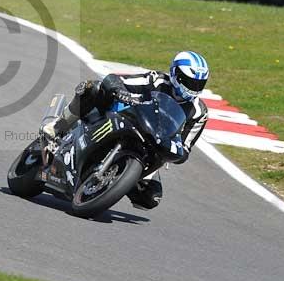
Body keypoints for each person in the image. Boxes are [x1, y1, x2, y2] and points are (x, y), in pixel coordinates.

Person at [41, 51, 210, 210]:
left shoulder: (199, 112)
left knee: (151, 198)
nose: (193, 88)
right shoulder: (156, 80)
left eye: (198, 84)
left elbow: (186, 148)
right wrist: (120, 91)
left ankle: (114, 181)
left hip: (154, 145)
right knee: (94, 88)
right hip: (129, 119)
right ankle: (58, 126)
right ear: (175, 74)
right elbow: (116, 80)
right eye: (189, 82)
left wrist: (176, 151)